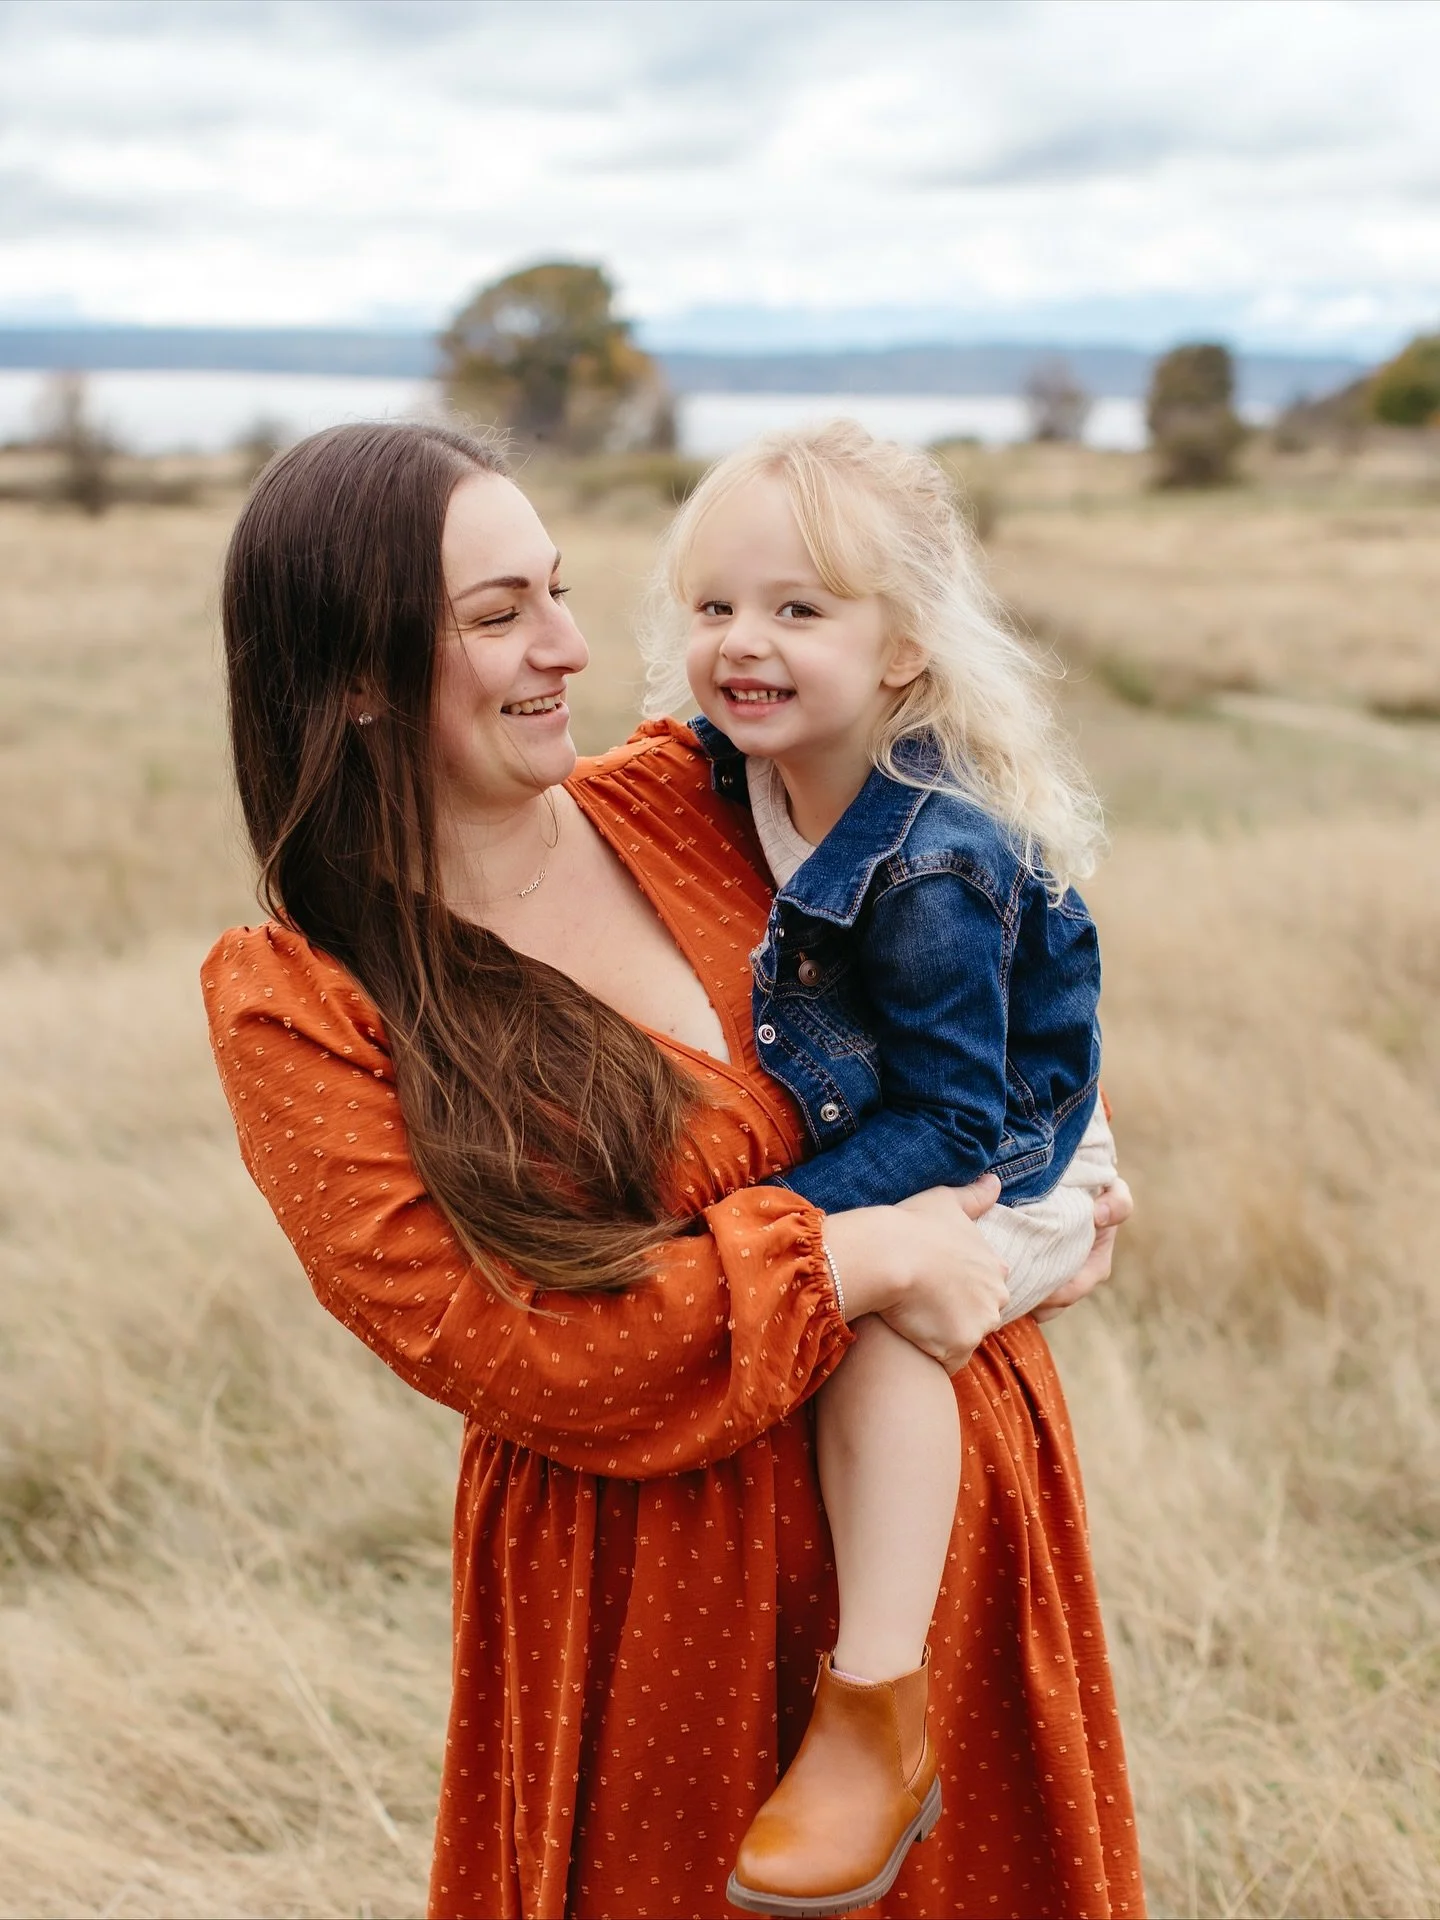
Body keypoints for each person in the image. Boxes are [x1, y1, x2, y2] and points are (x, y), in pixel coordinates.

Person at [202, 420, 1142, 1920]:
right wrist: (869, 1255)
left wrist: (1064, 1179)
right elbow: (522, 1345)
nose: (572, 648)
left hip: (942, 1523)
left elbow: (973, 941)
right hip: (654, 1601)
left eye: (559, 591)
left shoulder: (691, 793)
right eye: (500, 616)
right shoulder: (305, 1002)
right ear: (358, 674)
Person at [641, 421, 1122, 1915]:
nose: (743, 644)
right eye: (715, 608)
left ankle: (874, 1709)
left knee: (887, 1329)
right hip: (917, 1128)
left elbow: (956, 1125)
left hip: (1005, 1150)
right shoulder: (744, 777)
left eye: (798, 611)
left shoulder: (928, 863)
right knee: (859, 1273)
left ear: (903, 651)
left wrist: (766, 1223)